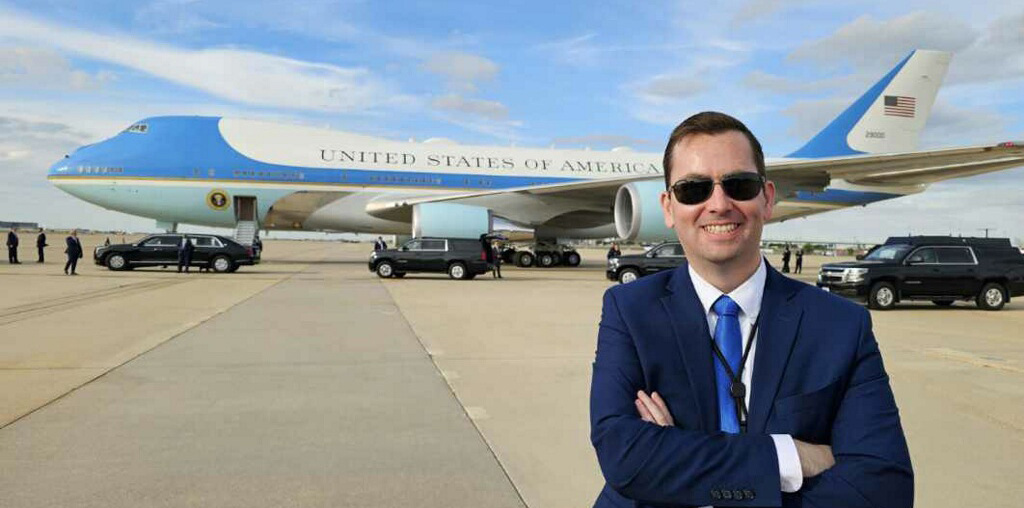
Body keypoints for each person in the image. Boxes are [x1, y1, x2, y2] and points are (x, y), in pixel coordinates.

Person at [589, 112, 911, 508]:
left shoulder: (841, 325)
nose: (719, 204)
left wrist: (676, 456)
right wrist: (788, 456)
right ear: (669, 208)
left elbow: (883, 488)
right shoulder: (630, 310)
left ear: (768, 198)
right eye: (694, 190)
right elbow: (627, 460)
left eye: (739, 185)